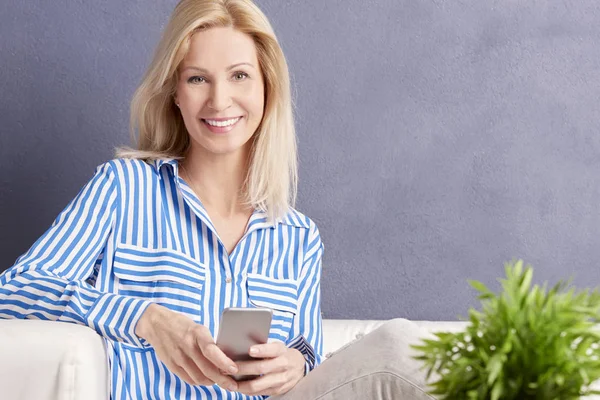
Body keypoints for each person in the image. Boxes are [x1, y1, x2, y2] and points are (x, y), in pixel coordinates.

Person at [0, 1, 437, 399]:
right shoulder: (123, 189)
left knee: (405, 349)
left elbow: (306, 344)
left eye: (239, 75)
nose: (220, 100)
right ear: (175, 91)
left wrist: (298, 362)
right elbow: (14, 292)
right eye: (197, 78)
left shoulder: (299, 237)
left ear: (267, 87)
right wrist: (146, 318)